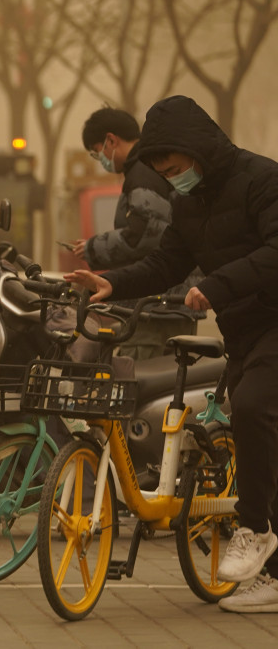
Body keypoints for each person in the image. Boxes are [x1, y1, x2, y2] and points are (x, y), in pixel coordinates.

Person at [64, 95, 278, 614]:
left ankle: (253, 531)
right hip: (245, 330)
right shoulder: (190, 202)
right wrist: (109, 283)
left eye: (176, 169)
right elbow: (165, 263)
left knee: (251, 407)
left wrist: (220, 286)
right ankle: (274, 577)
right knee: (257, 429)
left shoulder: (262, 179)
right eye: (164, 172)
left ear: (199, 151)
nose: (172, 178)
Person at [71, 107, 198, 358]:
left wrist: (93, 247)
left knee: (140, 378)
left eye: (98, 152)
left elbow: (144, 234)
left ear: (111, 140)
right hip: (169, 302)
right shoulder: (148, 167)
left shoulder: (142, 172)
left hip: (158, 305)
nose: (102, 160)